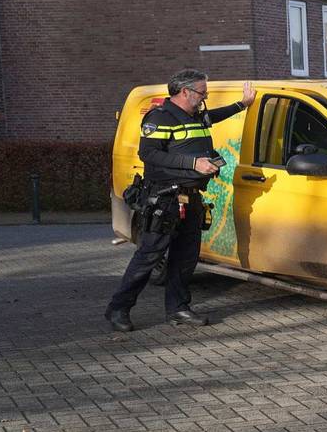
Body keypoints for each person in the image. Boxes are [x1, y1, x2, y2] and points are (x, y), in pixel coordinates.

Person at [105, 70, 254, 332]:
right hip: (164, 198)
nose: (205, 97)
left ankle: (178, 309)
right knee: (149, 256)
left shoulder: (195, 116)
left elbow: (214, 117)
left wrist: (242, 104)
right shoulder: (160, 117)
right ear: (185, 92)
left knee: (186, 257)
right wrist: (193, 162)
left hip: (191, 198)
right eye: (202, 93)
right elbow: (149, 154)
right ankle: (118, 309)